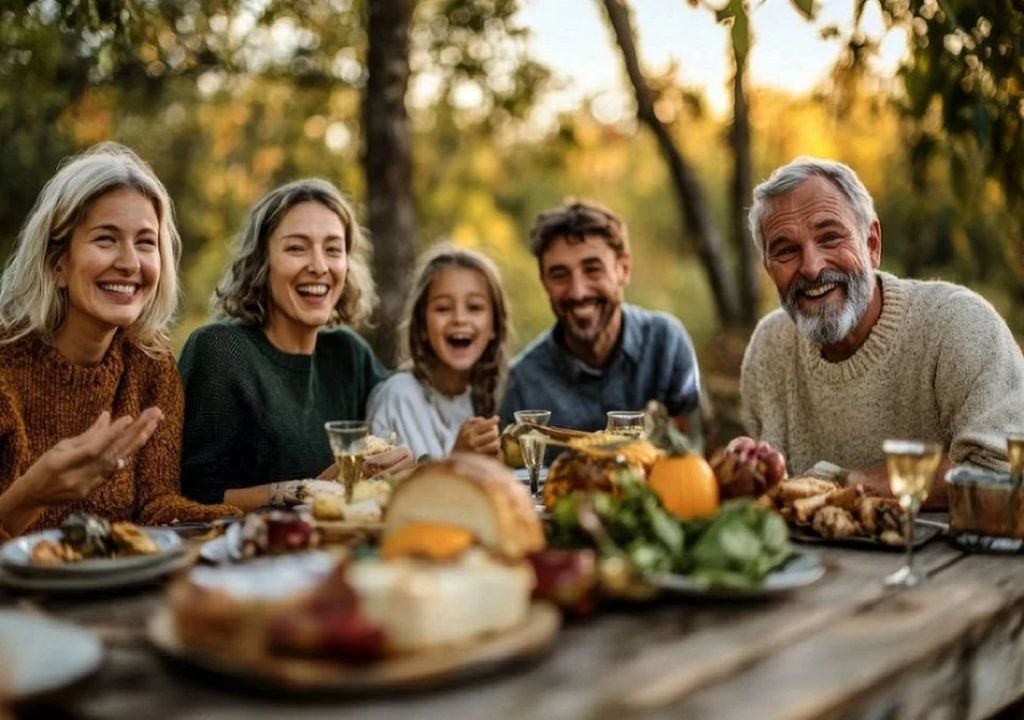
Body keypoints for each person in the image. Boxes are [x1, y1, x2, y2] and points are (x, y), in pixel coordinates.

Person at [741, 156, 1024, 507]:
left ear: (872, 244)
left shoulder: (959, 325)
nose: (812, 268)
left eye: (830, 238)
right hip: (818, 563)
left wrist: (841, 482)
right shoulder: (769, 348)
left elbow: (1005, 471)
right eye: (786, 251)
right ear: (768, 267)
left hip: (957, 562)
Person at [0, 142, 238, 539]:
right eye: (106, 239)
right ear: (58, 264)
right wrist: (31, 495)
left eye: (145, 242)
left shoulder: (151, 366)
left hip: (116, 594)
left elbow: (157, 507)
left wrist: (258, 521)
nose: (130, 263)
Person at [179, 178, 411, 512]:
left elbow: (405, 409)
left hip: (341, 550)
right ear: (262, 261)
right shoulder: (221, 351)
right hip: (245, 555)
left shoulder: (349, 355)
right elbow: (194, 495)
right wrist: (303, 490)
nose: (319, 266)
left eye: (333, 249)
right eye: (296, 248)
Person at [500, 200, 701, 433]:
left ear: (623, 269)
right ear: (544, 282)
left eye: (592, 269)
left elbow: (694, 450)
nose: (578, 291)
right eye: (559, 275)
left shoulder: (666, 344)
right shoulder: (521, 384)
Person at [367, 245, 509, 460]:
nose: (460, 319)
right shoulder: (399, 397)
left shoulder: (483, 398)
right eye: (443, 308)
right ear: (422, 325)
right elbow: (385, 488)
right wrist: (458, 459)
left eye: (474, 307)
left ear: (494, 326)